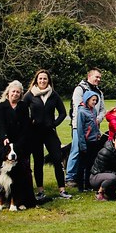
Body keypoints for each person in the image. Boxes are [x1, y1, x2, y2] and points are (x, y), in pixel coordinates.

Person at [23, 69, 69, 200]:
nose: (42, 81)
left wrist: (54, 124)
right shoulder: (30, 95)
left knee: (56, 158)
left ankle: (62, 190)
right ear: (36, 80)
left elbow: (63, 113)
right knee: (38, 161)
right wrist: (29, 122)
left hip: (50, 132)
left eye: (45, 79)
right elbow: (22, 110)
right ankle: (40, 190)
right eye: (40, 79)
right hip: (35, 133)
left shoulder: (53, 94)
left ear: (48, 80)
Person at [0, 80, 38, 210]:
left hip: (20, 145)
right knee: (2, 173)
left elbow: (26, 127)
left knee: (23, 173)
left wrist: (19, 144)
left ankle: (24, 201)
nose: (15, 94)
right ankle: (1, 200)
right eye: (13, 91)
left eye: (18, 92)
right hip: (4, 144)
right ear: (8, 92)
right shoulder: (1, 105)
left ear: (21, 94)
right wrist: (4, 138)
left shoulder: (23, 106)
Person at [65, 68, 105, 189]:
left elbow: (103, 109)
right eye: (96, 77)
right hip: (80, 126)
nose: (98, 79)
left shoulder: (99, 92)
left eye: (99, 78)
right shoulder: (79, 89)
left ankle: (86, 177)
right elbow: (78, 108)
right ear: (89, 76)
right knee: (77, 150)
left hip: (95, 127)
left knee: (91, 152)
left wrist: (98, 118)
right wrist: (87, 121)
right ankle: (70, 177)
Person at [88, 131, 116, 201]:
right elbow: (102, 170)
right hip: (96, 176)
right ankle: (99, 193)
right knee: (113, 177)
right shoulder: (105, 152)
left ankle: (111, 193)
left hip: (112, 174)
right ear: (113, 141)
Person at [74, 90, 102, 191]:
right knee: (82, 165)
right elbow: (80, 130)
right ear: (87, 100)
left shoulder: (94, 110)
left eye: (96, 100)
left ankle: (88, 184)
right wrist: (82, 145)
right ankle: (80, 186)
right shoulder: (81, 112)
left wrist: (98, 133)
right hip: (85, 142)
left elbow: (95, 124)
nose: (94, 102)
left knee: (91, 164)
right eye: (93, 100)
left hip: (94, 141)